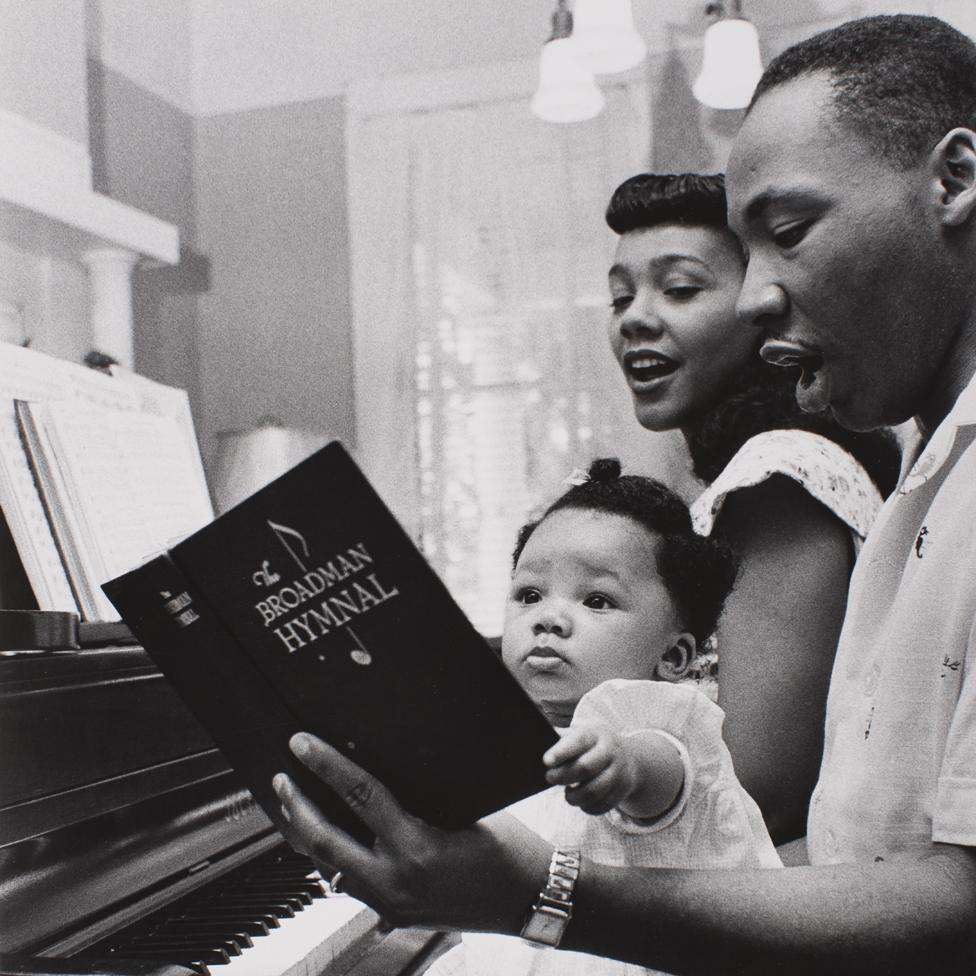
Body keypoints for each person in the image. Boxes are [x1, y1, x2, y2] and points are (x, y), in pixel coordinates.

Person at [273, 14, 976, 973]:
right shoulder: (932, 466)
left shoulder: (801, 469)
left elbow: (932, 887)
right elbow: (847, 834)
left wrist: (540, 888)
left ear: (956, 180)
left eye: (789, 232)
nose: (758, 295)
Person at [603, 171, 900, 843]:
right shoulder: (762, 469)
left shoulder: (775, 477)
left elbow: (759, 792)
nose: (635, 318)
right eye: (620, 295)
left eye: (679, 289)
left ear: (758, 304)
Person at [426, 457, 778, 976]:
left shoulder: (659, 723)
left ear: (674, 657)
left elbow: (667, 773)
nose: (548, 617)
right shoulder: (503, 735)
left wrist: (623, 765)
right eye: (529, 594)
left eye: (596, 599)